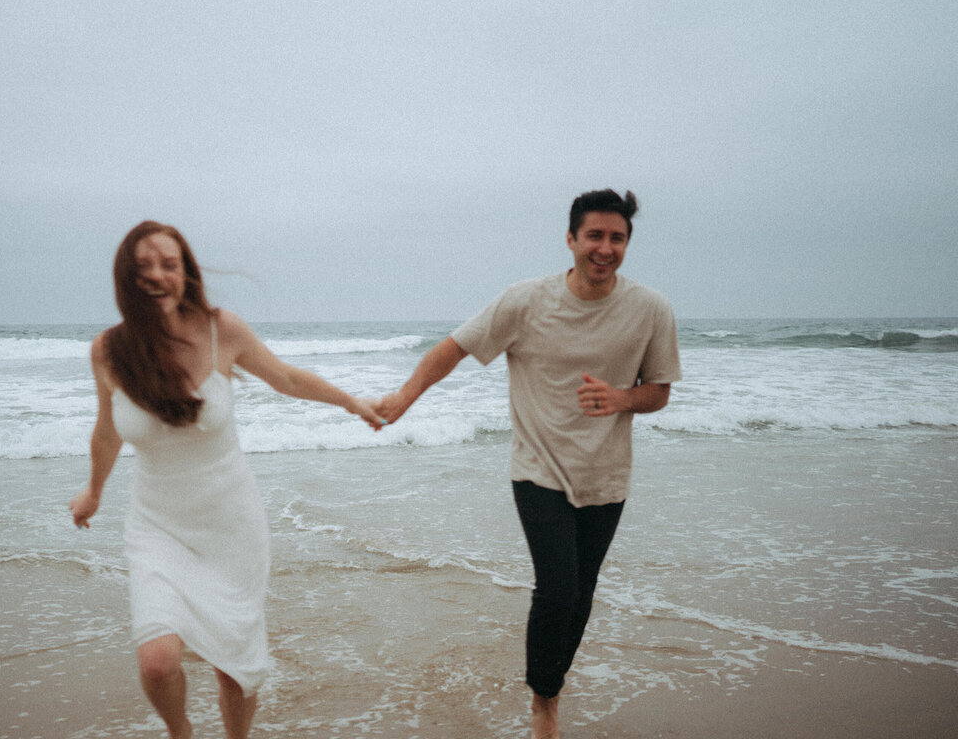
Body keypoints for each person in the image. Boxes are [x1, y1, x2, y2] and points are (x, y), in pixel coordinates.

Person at [376, 189, 681, 739]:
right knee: (558, 589)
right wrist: (404, 398)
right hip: (538, 470)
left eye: (617, 238)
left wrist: (621, 399)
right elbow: (454, 347)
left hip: (607, 476)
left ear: (627, 244)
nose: (605, 248)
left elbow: (658, 390)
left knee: (582, 595)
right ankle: (544, 704)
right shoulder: (525, 302)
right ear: (571, 239)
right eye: (595, 235)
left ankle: (550, 684)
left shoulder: (650, 309)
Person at [69, 221, 383, 739]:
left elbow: (286, 378)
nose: (156, 275)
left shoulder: (223, 330)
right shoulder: (110, 351)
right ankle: (181, 732)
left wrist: (353, 403)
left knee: (234, 667)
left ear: (186, 273)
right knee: (157, 662)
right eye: (143, 266)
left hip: (229, 527)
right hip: (157, 525)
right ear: (126, 278)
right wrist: (94, 491)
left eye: (169, 264)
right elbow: (107, 431)